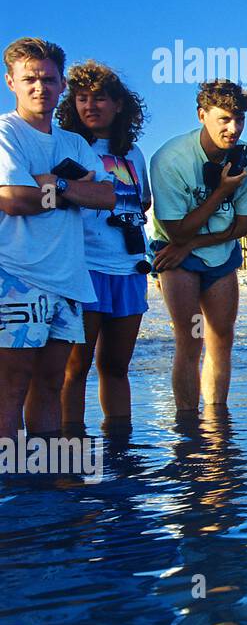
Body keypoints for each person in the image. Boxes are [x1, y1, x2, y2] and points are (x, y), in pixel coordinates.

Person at [0, 38, 115, 434]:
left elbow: (106, 196)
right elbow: (14, 200)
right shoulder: (6, 133)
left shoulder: (73, 142)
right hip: (16, 277)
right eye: (29, 78)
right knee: (11, 388)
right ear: (10, 81)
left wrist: (53, 184)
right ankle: (11, 487)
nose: (39, 87)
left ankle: (46, 482)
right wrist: (68, 191)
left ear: (61, 84)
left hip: (67, 281)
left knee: (52, 386)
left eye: (48, 79)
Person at [149, 79, 247, 413]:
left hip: (220, 253)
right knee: (190, 339)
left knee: (221, 338)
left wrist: (192, 244)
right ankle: (187, 426)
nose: (233, 128)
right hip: (173, 252)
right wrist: (220, 192)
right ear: (202, 114)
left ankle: (216, 422)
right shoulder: (170, 159)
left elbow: (242, 227)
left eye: (239, 119)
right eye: (224, 119)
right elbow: (176, 231)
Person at [56, 62, 152, 428]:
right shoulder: (66, 144)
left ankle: (120, 447)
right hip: (83, 268)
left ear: (119, 105)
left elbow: (142, 202)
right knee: (75, 367)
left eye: (100, 98)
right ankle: (69, 446)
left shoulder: (134, 153)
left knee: (116, 367)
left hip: (129, 269)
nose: (90, 105)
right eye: (81, 98)